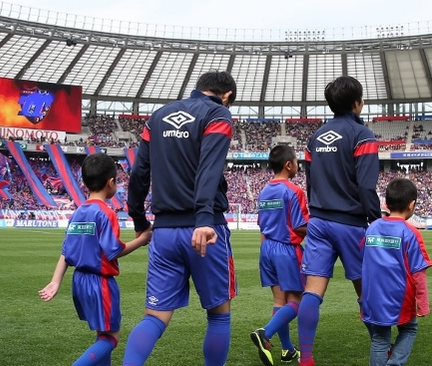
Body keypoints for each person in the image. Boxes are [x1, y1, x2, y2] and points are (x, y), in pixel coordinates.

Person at [123, 71, 238, 366]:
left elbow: (139, 172)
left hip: (164, 232)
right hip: (205, 231)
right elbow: (209, 169)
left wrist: (139, 220)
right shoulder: (218, 114)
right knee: (218, 316)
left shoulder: (158, 117)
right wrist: (203, 219)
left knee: (154, 318)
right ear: (226, 96)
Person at [296, 76, 381, 366]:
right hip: (351, 224)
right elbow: (367, 186)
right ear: (358, 103)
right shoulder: (363, 135)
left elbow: (310, 183)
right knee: (364, 291)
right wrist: (377, 221)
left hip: (319, 222)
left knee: (312, 291)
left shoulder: (315, 137)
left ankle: (306, 358)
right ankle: (382, 347)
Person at [39, 153, 152, 366]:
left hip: (79, 282)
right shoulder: (106, 213)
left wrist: (55, 281)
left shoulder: (77, 213)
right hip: (100, 284)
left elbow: (66, 252)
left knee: (103, 333)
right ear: (111, 182)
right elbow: (114, 251)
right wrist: (142, 240)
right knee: (111, 337)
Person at [250, 144, 309, 366]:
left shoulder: (264, 191)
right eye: (296, 162)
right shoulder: (293, 191)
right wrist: (321, 230)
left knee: (279, 300)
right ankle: (265, 333)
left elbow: (262, 225)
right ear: (288, 165)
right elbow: (300, 225)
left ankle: (287, 350)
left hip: (266, 248)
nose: (298, 165)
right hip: (286, 249)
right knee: (297, 301)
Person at [362, 178, 431, 366]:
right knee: (408, 329)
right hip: (400, 297)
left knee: (380, 338)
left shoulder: (372, 228)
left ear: (386, 203)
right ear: (411, 205)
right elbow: (418, 272)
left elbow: (363, 257)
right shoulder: (411, 233)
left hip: (374, 296)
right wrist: (423, 303)